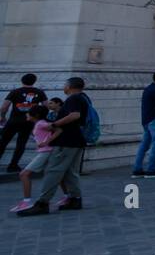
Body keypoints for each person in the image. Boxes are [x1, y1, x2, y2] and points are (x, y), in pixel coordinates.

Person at [17, 76, 91, 215]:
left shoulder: (73, 98)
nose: (63, 87)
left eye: (64, 84)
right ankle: (75, 199)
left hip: (66, 141)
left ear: (69, 86)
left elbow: (75, 115)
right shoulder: (83, 97)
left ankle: (42, 203)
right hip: (76, 140)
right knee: (70, 172)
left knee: (53, 171)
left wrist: (54, 124)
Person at [9, 104, 54, 213]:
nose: (26, 114)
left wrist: (46, 142)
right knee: (58, 175)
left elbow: (58, 129)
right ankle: (68, 196)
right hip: (46, 152)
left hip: (45, 152)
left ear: (36, 115)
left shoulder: (41, 124)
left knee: (23, 174)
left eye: (29, 112)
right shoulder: (38, 124)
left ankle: (27, 201)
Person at [0, 73, 47, 174]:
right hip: (29, 122)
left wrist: (3, 117)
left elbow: (4, 107)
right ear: (34, 81)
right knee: (21, 144)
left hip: (13, 121)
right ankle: (13, 165)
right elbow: (45, 107)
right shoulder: (39, 92)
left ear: (22, 81)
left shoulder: (15, 92)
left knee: (3, 142)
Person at [132, 71, 155, 177]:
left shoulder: (148, 89)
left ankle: (137, 168)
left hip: (146, 120)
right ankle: (151, 169)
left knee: (144, 145)